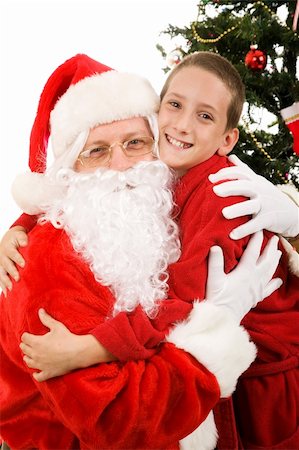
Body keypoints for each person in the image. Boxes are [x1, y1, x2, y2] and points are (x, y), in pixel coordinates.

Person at [1, 52, 299, 448]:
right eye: (97, 151)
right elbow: (120, 422)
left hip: (271, 391)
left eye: (135, 143)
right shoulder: (46, 259)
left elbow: (185, 294)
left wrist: (95, 346)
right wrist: (18, 227)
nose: (122, 166)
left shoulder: (198, 194)